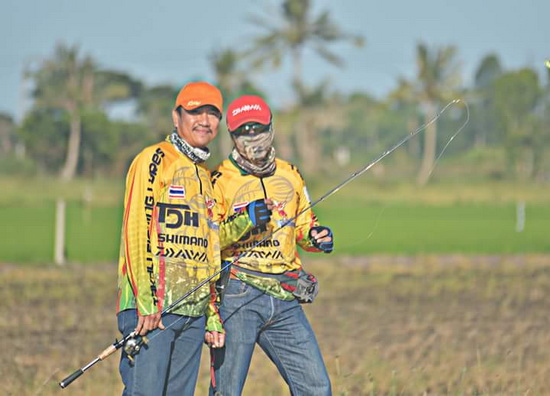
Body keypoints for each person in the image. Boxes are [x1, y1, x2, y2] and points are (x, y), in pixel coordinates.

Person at [116, 82, 262, 395]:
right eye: (196, 111)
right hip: (153, 312)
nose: (204, 121)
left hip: (192, 313)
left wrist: (247, 220)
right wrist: (147, 301)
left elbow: (210, 247)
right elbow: (137, 229)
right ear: (176, 116)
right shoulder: (154, 159)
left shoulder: (205, 176)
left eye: (212, 114)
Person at [206, 95, 335, 396]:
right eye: (244, 131)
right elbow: (208, 241)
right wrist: (244, 220)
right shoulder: (217, 180)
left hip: (285, 296)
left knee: (316, 388)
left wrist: (317, 237)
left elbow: (303, 226)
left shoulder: (291, 174)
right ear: (232, 136)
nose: (252, 137)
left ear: (271, 129)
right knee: (226, 391)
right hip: (238, 295)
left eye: (258, 129)